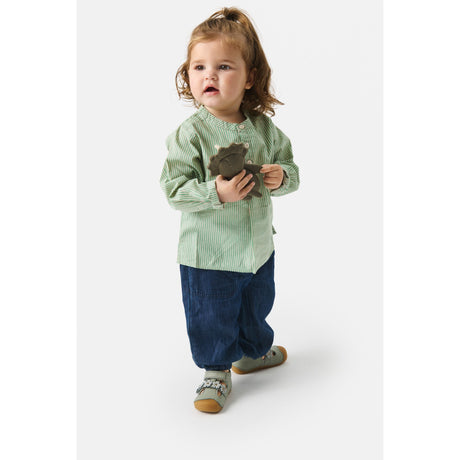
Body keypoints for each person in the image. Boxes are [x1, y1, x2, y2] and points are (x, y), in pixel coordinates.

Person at [160, 7, 299, 413]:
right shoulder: (190, 135)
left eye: (223, 66)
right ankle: (216, 371)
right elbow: (173, 190)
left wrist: (281, 177)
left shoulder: (264, 129)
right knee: (212, 313)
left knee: (257, 304)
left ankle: (251, 353)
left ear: (249, 77)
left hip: (257, 248)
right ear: (188, 75)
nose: (210, 75)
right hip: (210, 254)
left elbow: (292, 170)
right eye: (199, 67)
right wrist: (215, 193)